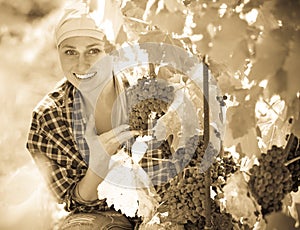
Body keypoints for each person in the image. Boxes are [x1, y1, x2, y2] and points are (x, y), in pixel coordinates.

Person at [26, 2, 141, 229]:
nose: (82, 64)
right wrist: (98, 163)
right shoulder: (48, 118)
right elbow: (76, 200)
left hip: (160, 208)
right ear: (58, 52)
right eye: (70, 52)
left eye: (93, 50)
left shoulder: (144, 93)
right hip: (99, 215)